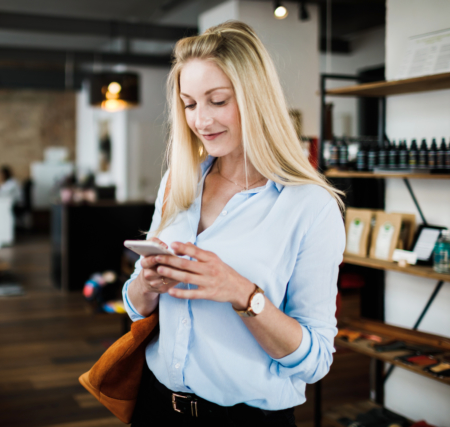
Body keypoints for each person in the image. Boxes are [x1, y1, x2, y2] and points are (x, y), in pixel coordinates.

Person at [122, 21, 345, 426]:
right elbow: (136, 309)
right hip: (156, 407)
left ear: (255, 98)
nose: (201, 120)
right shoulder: (179, 181)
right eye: (189, 104)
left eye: (218, 100)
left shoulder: (311, 207)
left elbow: (315, 362)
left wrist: (242, 293)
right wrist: (146, 285)